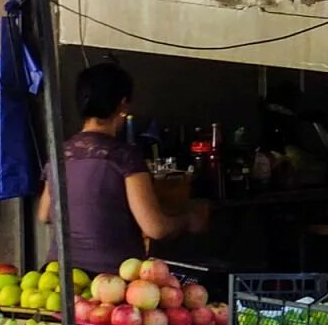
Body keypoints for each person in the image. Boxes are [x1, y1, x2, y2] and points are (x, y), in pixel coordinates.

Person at [39, 61, 206, 275]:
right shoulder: (124, 157)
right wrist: (188, 220)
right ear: (123, 104)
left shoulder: (60, 154)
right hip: (110, 282)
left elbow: (45, 214)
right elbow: (154, 228)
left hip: (56, 277)